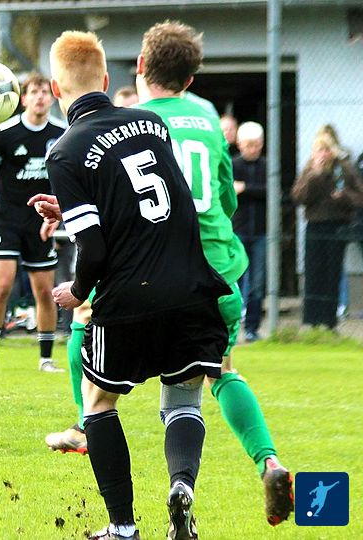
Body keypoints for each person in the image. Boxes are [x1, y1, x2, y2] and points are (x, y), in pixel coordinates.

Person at [33, 30, 231, 540]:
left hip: (128, 295)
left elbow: (95, 248)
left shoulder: (64, 152)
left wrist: (78, 291)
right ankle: (181, 485)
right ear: (106, 80)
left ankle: (122, 527)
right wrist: (76, 210)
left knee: (98, 402)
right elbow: (145, 199)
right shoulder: (150, 122)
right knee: (183, 399)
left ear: (55, 89)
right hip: (189, 284)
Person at [134, 21, 294, 527]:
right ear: (191, 78)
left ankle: (84, 424)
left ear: (141, 66)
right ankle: (269, 462)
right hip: (219, 268)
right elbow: (225, 197)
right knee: (221, 371)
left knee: (117, 382)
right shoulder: (206, 117)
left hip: (157, 273)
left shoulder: (133, 122)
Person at [0, 72, 66, 373]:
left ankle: (46, 359)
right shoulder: (6, 133)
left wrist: (61, 216)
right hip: (8, 220)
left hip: (41, 223)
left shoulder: (62, 133)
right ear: (23, 99)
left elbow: (70, 179)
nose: (40, 97)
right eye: (34, 92)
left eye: (45, 92)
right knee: (3, 285)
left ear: (52, 98)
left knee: (44, 291)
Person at [291, 131, 363, 329]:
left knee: (332, 274)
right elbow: (298, 197)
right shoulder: (310, 168)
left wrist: (343, 196)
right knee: (313, 273)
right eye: (319, 150)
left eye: (326, 150)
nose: (323, 154)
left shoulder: (344, 169)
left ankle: (329, 321)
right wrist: (315, 174)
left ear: (333, 151)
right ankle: (311, 321)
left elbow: (359, 197)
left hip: (337, 226)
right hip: (315, 225)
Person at [232, 121, 268, 341]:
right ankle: (233, 327)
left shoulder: (267, 166)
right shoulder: (233, 164)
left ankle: (252, 328)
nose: (253, 149)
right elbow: (228, 191)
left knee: (257, 283)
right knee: (235, 281)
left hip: (261, 232)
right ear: (240, 144)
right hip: (238, 230)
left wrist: (245, 188)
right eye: (248, 145)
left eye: (256, 145)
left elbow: (271, 191)